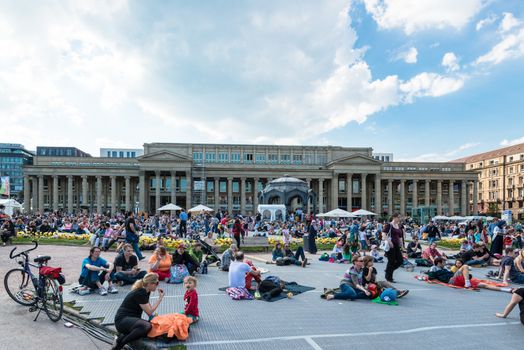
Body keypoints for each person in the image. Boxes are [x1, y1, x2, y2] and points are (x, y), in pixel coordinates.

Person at [112, 273, 164, 350]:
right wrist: (160, 298)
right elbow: (149, 311)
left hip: (130, 320)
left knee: (149, 327)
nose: (157, 285)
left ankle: (121, 339)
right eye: (156, 283)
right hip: (122, 320)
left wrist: (153, 319)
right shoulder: (141, 292)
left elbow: (148, 309)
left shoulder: (146, 291)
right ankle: (121, 343)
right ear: (150, 283)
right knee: (146, 326)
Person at [382, 213, 405, 283]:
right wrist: (389, 241)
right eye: (398, 217)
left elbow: (400, 237)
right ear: (394, 217)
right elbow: (383, 234)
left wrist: (402, 246)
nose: (399, 219)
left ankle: (388, 270)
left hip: (396, 245)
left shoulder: (399, 226)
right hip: (390, 245)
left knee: (400, 261)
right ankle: (389, 277)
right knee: (391, 261)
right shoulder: (389, 225)